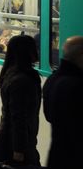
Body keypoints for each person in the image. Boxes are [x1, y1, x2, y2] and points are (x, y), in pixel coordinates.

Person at [0, 35, 41, 167]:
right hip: (15, 144)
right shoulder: (22, 80)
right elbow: (18, 117)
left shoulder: (11, 73)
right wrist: (19, 149)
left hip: (10, 139)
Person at [43, 36, 83, 169]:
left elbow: (48, 115)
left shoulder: (52, 79)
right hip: (75, 157)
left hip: (57, 154)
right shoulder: (77, 85)